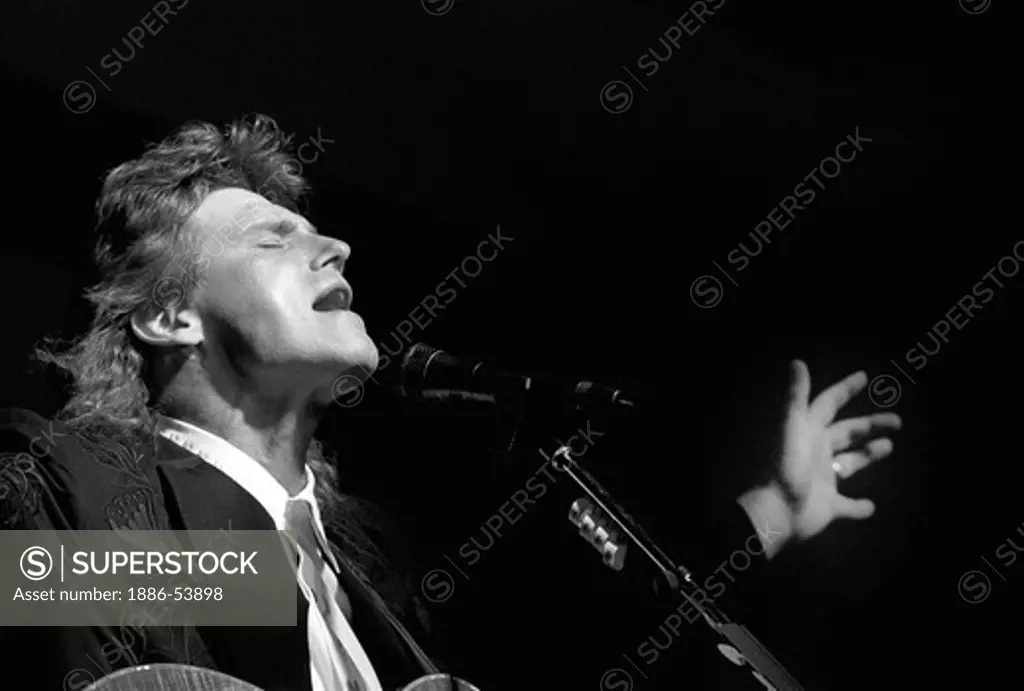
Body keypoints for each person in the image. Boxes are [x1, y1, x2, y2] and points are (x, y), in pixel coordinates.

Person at [0, 115, 901, 691]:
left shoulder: (377, 570)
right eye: (276, 237)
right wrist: (270, 569)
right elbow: (47, 600)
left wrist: (772, 511)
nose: (338, 248)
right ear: (170, 314)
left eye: (320, 230)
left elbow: (576, 637)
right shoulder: (63, 485)